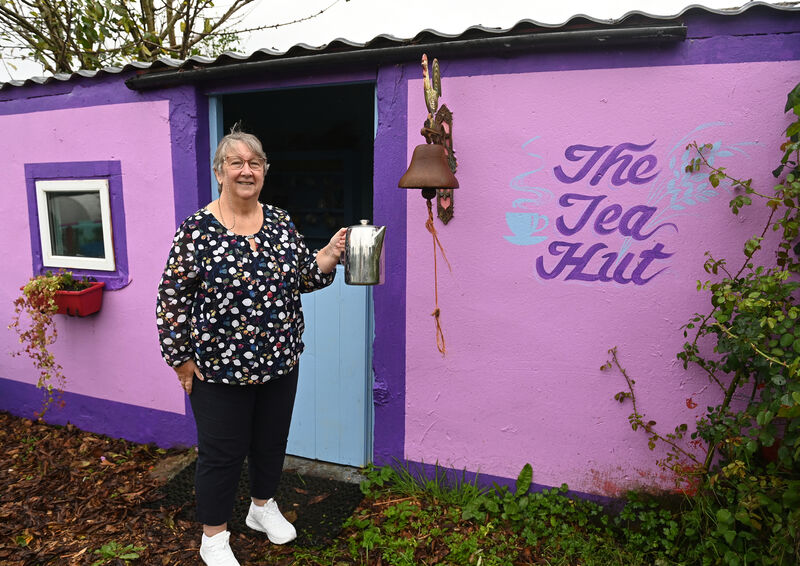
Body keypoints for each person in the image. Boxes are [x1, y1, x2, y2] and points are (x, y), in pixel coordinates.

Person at [156, 129, 346, 566]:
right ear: (220, 171)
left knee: (270, 443)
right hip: (218, 370)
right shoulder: (197, 230)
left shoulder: (279, 222)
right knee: (222, 455)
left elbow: (303, 276)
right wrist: (181, 359)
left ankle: (261, 508)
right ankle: (214, 537)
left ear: (264, 171)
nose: (246, 170)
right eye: (236, 162)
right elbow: (171, 299)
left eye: (255, 163)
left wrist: (331, 253)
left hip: (279, 362)